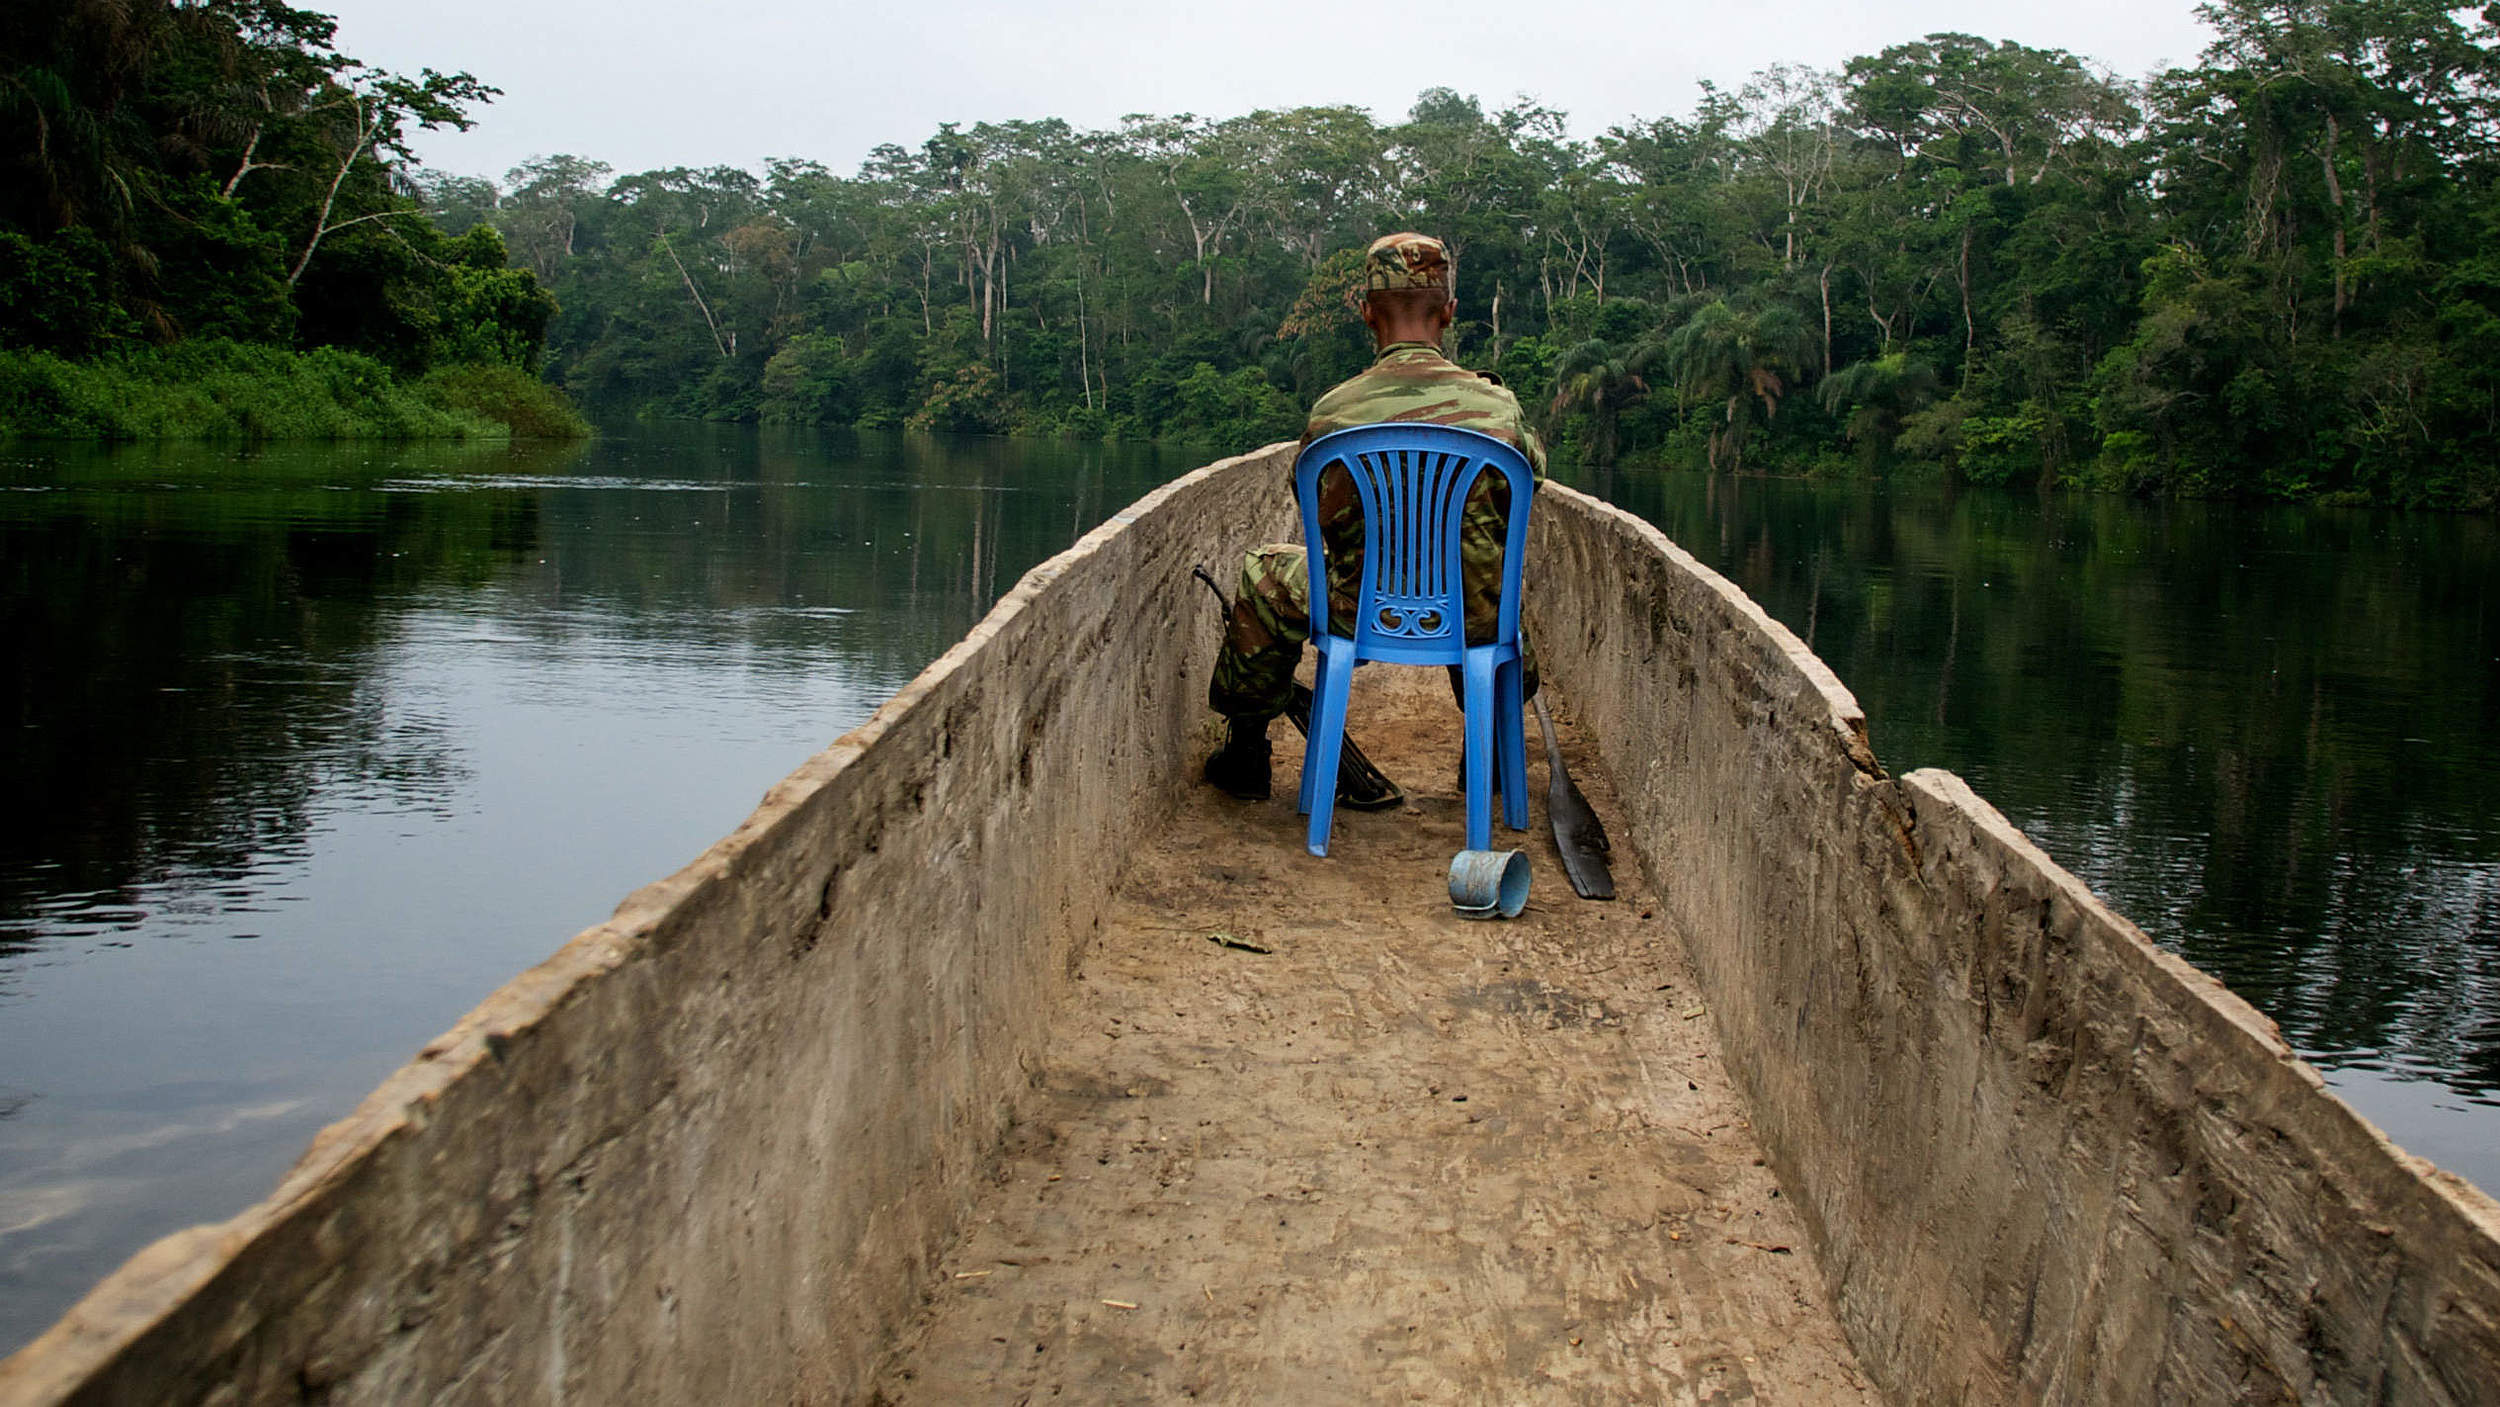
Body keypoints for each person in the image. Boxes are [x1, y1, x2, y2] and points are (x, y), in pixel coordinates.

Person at [1203, 231, 1545, 801]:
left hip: (1357, 612)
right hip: (1473, 616)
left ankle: (1246, 755)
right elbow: (1529, 480)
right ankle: (1484, 747)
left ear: (1366, 314)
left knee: (1265, 571)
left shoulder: (1335, 412)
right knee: (1483, 566)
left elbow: (1314, 505)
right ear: (1450, 313)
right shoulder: (1497, 408)